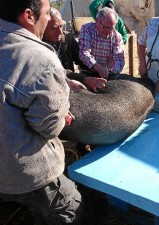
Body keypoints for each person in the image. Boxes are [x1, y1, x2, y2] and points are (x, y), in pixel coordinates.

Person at [0, 0, 84, 224]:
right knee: (70, 207)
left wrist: (63, 81)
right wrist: (63, 107)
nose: (48, 19)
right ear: (29, 16)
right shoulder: (40, 57)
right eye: (47, 13)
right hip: (24, 172)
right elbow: (49, 127)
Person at [43, 7, 107, 92]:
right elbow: (55, 71)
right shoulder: (39, 45)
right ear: (43, 27)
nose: (60, 32)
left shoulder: (67, 38)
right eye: (54, 28)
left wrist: (97, 68)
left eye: (61, 26)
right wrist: (85, 79)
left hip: (72, 84)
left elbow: (81, 59)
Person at [79, 7, 125, 79]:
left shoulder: (117, 36)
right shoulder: (87, 29)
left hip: (108, 74)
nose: (109, 31)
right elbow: (83, 52)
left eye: (112, 28)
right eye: (106, 27)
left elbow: (119, 59)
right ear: (97, 21)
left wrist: (113, 72)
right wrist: (98, 67)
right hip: (88, 72)